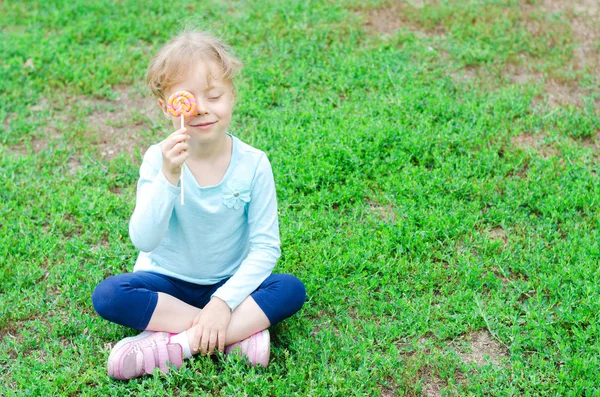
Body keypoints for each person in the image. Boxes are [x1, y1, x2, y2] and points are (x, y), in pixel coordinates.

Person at [92, 29, 306, 381]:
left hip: (231, 280)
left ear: (232, 96)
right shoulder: (156, 160)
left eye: (214, 95)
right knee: (111, 295)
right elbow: (143, 240)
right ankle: (232, 335)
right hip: (168, 280)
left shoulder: (254, 163)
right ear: (167, 108)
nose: (203, 109)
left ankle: (177, 343)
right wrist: (169, 176)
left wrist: (222, 302)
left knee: (290, 289)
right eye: (188, 99)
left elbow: (266, 247)